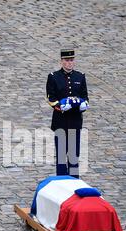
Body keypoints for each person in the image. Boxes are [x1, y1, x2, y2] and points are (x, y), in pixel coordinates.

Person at [46, 48, 89, 178]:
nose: (69, 63)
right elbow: (51, 98)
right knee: (61, 156)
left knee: (74, 155)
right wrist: (61, 106)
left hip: (75, 121)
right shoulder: (54, 77)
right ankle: (61, 183)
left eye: (71, 60)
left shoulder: (80, 77)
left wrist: (83, 105)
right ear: (61, 61)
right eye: (67, 60)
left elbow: (85, 97)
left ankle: (74, 182)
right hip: (60, 121)